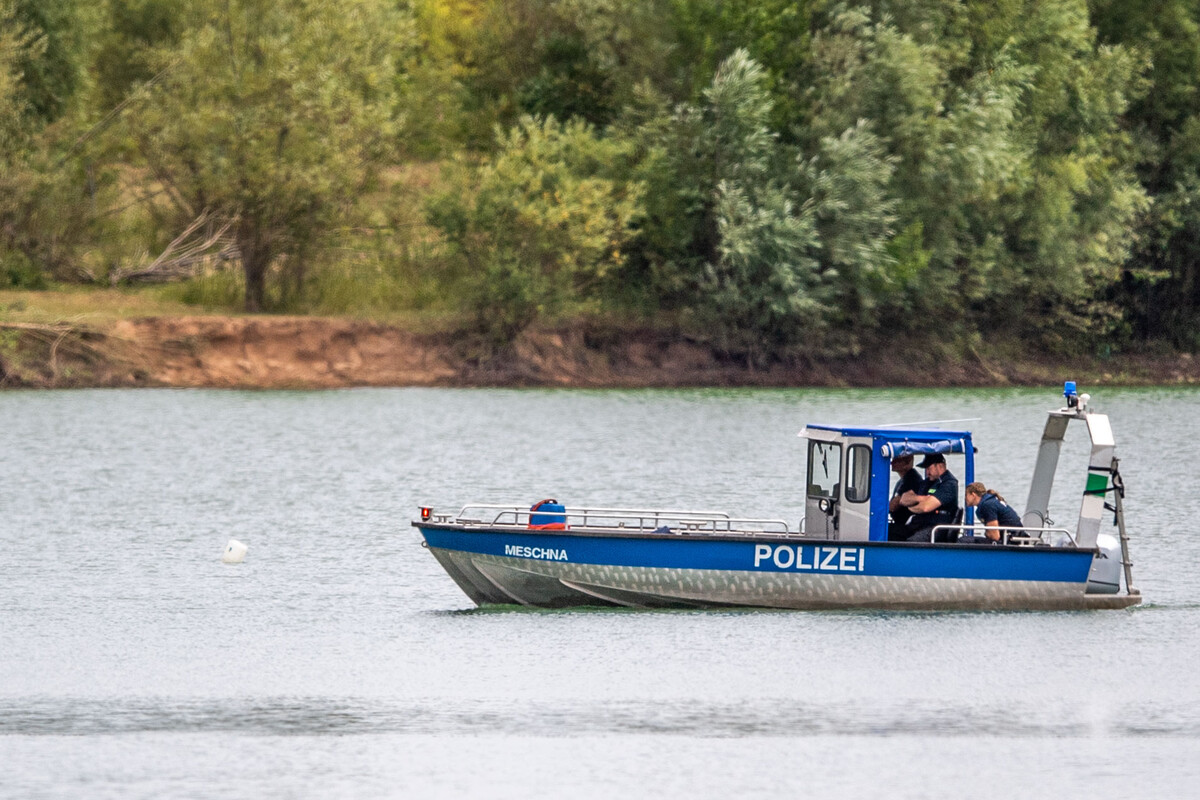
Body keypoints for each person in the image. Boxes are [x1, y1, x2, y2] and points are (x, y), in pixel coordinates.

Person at [898, 453, 959, 542]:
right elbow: (904, 499)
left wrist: (912, 506)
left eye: (929, 468)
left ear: (940, 466)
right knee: (890, 531)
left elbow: (926, 507)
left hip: (935, 526)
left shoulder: (949, 484)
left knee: (912, 542)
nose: (927, 472)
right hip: (919, 524)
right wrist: (922, 498)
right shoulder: (927, 482)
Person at [887, 454, 923, 541]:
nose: (892, 462)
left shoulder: (912, 479)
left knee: (885, 530)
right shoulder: (902, 480)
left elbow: (893, 506)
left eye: (897, 460)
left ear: (907, 462)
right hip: (901, 523)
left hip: (909, 526)